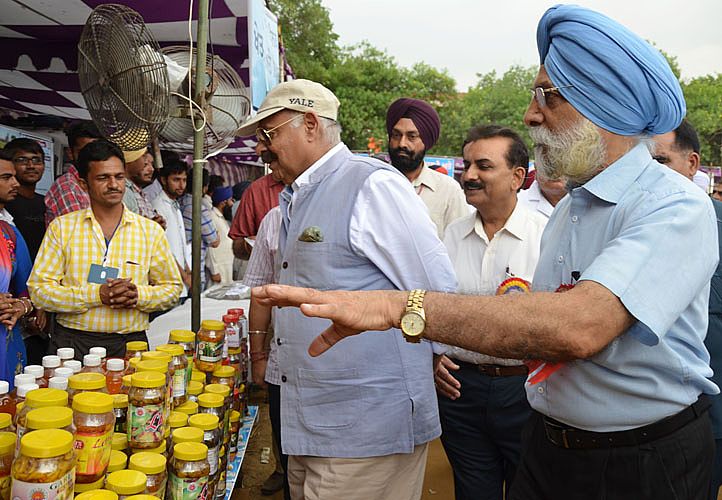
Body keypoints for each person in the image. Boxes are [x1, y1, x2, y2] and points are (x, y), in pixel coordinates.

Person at [253, 6, 717, 499]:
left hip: (637, 462)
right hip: (549, 444)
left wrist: (396, 308)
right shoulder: (571, 209)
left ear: (603, 103)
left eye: (547, 96)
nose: (531, 113)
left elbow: (579, 326)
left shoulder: (674, 204)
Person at [237, 78, 457, 500]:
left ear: (311, 125)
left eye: (269, 134)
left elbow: (436, 289)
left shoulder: (371, 185)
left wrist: (434, 356)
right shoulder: (294, 198)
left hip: (366, 427)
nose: (261, 149)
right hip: (313, 421)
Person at [436, 125, 546, 500]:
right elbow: (432, 305)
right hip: (459, 392)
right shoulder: (451, 235)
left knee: (528, 489)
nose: (468, 176)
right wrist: (433, 357)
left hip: (526, 392)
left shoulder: (546, 236)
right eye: (466, 165)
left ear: (517, 176)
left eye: (483, 166)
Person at [28, 140, 182, 360]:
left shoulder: (149, 231)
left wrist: (137, 295)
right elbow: (39, 292)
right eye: (103, 178)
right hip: (72, 343)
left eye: (119, 177)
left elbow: (172, 289)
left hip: (130, 343)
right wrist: (96, 295)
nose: (113, 185)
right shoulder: (62, 228)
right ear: (83, 184)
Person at [652, 120, 722, 500]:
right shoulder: (619, 226)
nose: (650, 173)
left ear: (693, 163)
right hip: (639, 428)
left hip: (708, 418)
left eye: (660, 160)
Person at [242, 205, 289, 498]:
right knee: (281, 427)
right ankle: (282, 470)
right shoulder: (274, 217)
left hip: (337, 365)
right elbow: (260, 295)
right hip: (283, 352)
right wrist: (258, 357)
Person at [386, 98, 469, 239]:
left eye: (412, 136)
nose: (402, 144)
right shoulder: (372, 184)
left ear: (426, 141)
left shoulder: (448, 190)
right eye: (396, 135)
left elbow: (460, 244)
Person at [0, 150, 37, 385]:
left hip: (6, 337)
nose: (15, 182)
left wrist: (19, 307)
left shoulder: (9, 233)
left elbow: (31, 289)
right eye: (6, 177)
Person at [45, 121, 102, 225]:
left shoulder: (98, 181)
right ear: (70, 153)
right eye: (84, 151)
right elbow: (80, 232)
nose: (91, 156)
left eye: (96, 150)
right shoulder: (67, 186)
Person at [152, 160, 192, 299]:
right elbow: (165, 248)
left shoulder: (174, 204)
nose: (181, 185)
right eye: (176, 180)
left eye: (184, 180)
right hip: (169, 281)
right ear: (163, 180)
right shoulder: (158, 206)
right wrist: (184, 275)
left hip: (181, 279)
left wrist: (187, 269)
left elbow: (180, 243)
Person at [3, 138, 47, 259]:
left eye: (36, 160)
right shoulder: (4, 203)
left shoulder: (46, 202)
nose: (31, 166)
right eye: (22, 160)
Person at [228, 170, 284, 260]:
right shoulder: (257, 189)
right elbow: (237, 247)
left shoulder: (314, 189)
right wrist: (249, 245)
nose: (271, 166)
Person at [178, 168, 219, 291]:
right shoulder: (199, 208)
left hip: (180, 269)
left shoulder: (179, 202)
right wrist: (217, 233)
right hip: (193, 270)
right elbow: (214, 241)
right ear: (205, 188)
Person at [122, 147, 165, 228]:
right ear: (131, 159)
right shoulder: (124, 191)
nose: (151, 169)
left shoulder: (140, 193)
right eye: (145, 164)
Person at [206, 186, 234, 285]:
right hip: (218, 269)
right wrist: (214, 271)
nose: (232, 204)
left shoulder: (221, 217)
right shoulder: (212, 217)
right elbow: (210, 247)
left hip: (226, 266)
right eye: (231, 200)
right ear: (223, 203)